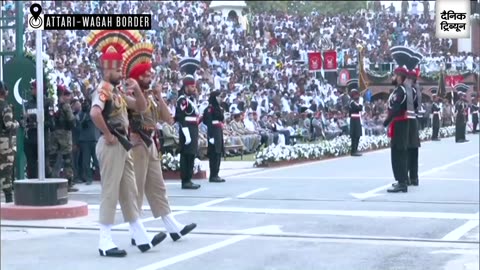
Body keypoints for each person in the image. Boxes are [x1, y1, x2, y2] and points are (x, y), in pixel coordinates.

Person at [87, 30, 165, 257]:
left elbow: (140, 107)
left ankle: (141, 236)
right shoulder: (103, 90)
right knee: (110, 192)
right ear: (106, 69)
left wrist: (138, 89)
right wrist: (108, 134)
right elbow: (94, 113)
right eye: (117, 69)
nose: (121, 71)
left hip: (122, 146)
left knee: (129, 192)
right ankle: (105, 241)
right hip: (112, 145)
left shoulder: (117, 92)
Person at [123, 42, 197, 245]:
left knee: (158, 186)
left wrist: (159, 96)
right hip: (137, 143)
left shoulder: (151, 96)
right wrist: (143, 93)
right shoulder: (129, 95)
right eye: (146, 75)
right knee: (136, 188)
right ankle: (135, 231)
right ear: (138, 78)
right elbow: (140, 110)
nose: (150, 78)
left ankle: (172, 225)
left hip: (151, 143)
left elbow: (167, 118)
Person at [175, 55, 202, 190]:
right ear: (186, 87)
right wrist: (186, 133)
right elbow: (181, 117)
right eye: (192, 87)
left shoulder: (190, 99)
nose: (194, 89)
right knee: (186, 155)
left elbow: (195, 114)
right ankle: (185, 180)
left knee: (191, 154)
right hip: (187, 130)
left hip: (193, 128)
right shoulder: (182, 100)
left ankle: (189, 178)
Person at [384, 65, 411, 193]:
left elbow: (395, 109)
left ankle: (402, 182)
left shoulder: (401, 91)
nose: (393, 77)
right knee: (397, 152)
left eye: (395, 75)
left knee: (399, 152)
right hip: (398, 123)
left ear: (400, 77)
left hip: (399, 124)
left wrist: (385, 122)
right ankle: (401, 180)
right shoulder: (398, 90)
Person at [48, 85, 78, 192]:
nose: (69, 97)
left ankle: (49, 181)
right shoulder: (66, 106)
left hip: (53, 134)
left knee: (52, 159)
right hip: (65, 134)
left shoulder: (51, 104)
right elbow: (71, 120)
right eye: (67, 95)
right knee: (67, 159)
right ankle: (68, 184)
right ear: (63, 95)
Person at [23, 80, 54, 179]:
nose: (31, 90)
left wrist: (38, 124)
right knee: (31, 168)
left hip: (42, 140)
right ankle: (32, 190)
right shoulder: (27, 104)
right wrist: (25, 121)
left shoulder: (48, 103)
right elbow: (21, 120)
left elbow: (51, 123)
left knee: (45, 167)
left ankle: (47, 189)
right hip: (30, 140)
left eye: (33, 88)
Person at [0, 80, 19, 203]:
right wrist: (16, 124)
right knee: (6, 171)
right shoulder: (5, 106)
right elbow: (8, 124)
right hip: (5, 143)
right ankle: (8, 199)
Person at [203, 90, 226, 183]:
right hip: (213, 131)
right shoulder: (210, 108)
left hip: (218, 130)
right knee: (213, 154)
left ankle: (216, 173)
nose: (221, 98)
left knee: (218, 153)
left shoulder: (218, 108)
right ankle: (213, 175)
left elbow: (221, 118)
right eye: (219, 96)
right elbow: (207, 122)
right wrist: (211, 136)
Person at [406, 70, 421, 186]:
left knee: (408, 151)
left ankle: (409, 177)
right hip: (413, 120)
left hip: (409, 121)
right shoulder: (416, 89)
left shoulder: (411, 90)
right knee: (413, 151)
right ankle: (414, 177)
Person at [346, 79, 363, 156]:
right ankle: (353, 151)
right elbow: (360, 108)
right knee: (355, 135)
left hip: (357, 119)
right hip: (354, 120)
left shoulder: (354, 103)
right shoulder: (352, 103)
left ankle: (355, 149)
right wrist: (361, 103)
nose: (357, 96)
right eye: (356, 95)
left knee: (358, 135)